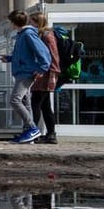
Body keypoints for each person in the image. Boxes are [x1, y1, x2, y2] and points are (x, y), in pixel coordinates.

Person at [5, 10, 48, 144]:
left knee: (15, 100)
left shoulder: (28, 34)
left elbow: (43, 52)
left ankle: (33, 128)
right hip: (22, 71)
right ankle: (28, 133)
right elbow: (24, 55)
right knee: (25, 102)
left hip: (26, 73)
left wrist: (42, 68)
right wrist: (10, 58)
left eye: (10, 22)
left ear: (13, 22)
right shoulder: (22, 34)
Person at [29, 10, 61, 144]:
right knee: (45, 106)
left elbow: (54, 56)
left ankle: (33, 132)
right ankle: (51, 134)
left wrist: (53, 74)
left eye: (32, 22)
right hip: (43, 74)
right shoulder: (42, 35)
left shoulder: (48, 36)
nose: (30, 24)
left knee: (35, 103)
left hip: (46, 75)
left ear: (38, 22)